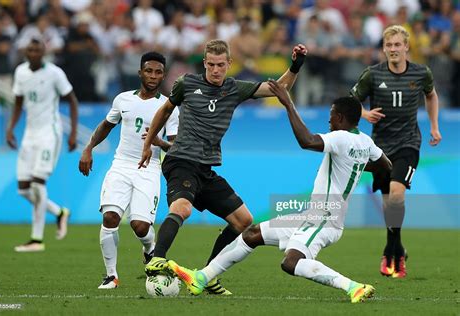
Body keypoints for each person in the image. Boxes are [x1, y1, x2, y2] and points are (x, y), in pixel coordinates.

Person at [167, 81, 392, 303]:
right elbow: (386, 166)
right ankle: (201, 277)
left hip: (324, 219)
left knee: (291, 262)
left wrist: (288, 104)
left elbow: (307, 141)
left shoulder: (340, 137)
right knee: (252, 234)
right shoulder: (366, 142)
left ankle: (353, 287)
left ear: (341, 118)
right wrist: (356, 164)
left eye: (332, 115)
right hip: (314, 215)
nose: (329, 119)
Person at [138, 39, 307, 295]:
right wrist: (148, 144)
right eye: (210, 65)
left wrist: (295, 65)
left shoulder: (234, 88)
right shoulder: (186, 83)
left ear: (229, 64)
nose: (215, 70)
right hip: (181, 160)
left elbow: (279, 88)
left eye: (220, 65)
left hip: (206, 168)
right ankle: (156, 259)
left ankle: (206, 275)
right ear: (204, 63)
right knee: (182, 209)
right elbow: (164, 111)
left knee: (244, 221)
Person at [79, 52, 179, 289]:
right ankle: (111, 275)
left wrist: (159, 142)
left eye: (158, 72)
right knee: (110, 217)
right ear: (140, 73)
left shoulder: (169, 107)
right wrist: (88, 148)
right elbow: (106, 126)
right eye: (149, 71)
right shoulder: (123, 100)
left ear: (163, 75)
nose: (153, 76)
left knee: (140, 226)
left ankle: (149, 249)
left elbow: (176, 146)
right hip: (121, 165)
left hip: (149, 168)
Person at [350, 25, 442, 278]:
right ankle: (397, 249)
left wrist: (434, 126)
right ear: (383, 48)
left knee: (398, 196)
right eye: (388, 45)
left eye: (397, 45)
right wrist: (364, 113)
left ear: (406, 47)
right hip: (380, 149)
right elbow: (350, 102)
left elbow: (431, 96)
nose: (393, 49)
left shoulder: (421, 73)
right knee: (389, 202)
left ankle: (391, 254)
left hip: (409, 143)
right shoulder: (372, 74)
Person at [7, 38, 78, 252]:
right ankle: (59, 213)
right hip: (30, 134)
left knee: (38, 184)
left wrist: (73, 132)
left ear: (44, 52)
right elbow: (18, 102)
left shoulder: (54, 73)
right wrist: (10, 128)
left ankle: (36, 239)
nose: (34, 52)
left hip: (50, 133)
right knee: (23, 190)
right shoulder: (20, 72)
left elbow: (72, 100)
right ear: (26, 52)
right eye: (30, 49)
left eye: (38, 49)